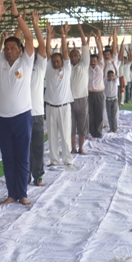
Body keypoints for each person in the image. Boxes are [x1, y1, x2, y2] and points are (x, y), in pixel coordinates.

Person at [0, 0, 35, 206]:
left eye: (12, 48)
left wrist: (17, 15)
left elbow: (28, 37)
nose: (7, 50)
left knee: (22, 157)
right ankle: (11, 193)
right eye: (5, 48)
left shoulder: (26, 62)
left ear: (20, 50)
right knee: (8, 158)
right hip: (2, 119)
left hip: (22, 117)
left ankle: (23, 193)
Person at [44, 23, 74, 169]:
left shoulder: (67, 68)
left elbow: (65, 51)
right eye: (54, 61)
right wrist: (49, 36)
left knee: (65, 134)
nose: (56, 63)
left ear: (62, 61)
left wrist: (63, 35)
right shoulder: (49, 69)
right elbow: (47, 51)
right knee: (52, 135)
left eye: (58, 61)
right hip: (50, 107)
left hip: (64, 107)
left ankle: (67, 159)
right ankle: (54, 159)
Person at [25, 11, 48, 187]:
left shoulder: (39, 67)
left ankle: (38, 176)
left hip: (37, 114)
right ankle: (24, 176)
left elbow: (41, 45)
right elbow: (20, 43)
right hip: (21, 114)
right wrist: (20, 23)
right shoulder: (20, 66)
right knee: (24, 149)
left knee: (38, 148)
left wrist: (34, 25)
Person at [69, 25, 90, 155]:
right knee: (71, 127)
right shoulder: (67, 67)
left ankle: (81, 147)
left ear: (80, 56)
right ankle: (73, 148)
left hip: (82, 99)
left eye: (75, 55)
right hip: (70, 100)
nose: (73, 57)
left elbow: (84, 45)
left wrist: (81, 31)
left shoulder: (84, 64)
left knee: (82, 126)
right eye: (71, 55)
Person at [87, 30, 106, 140]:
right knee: (90, 114)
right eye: (91, 60)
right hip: (89, 93)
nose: (93, 62)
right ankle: (91, 132)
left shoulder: (101, 66)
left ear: (98, 61)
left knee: (99, 114)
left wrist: (97, 39)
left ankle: (98, 133)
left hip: (99, 93)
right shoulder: (87, 67)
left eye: (95, 60)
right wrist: (89, 39)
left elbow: (100, 51)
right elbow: (85, 53)